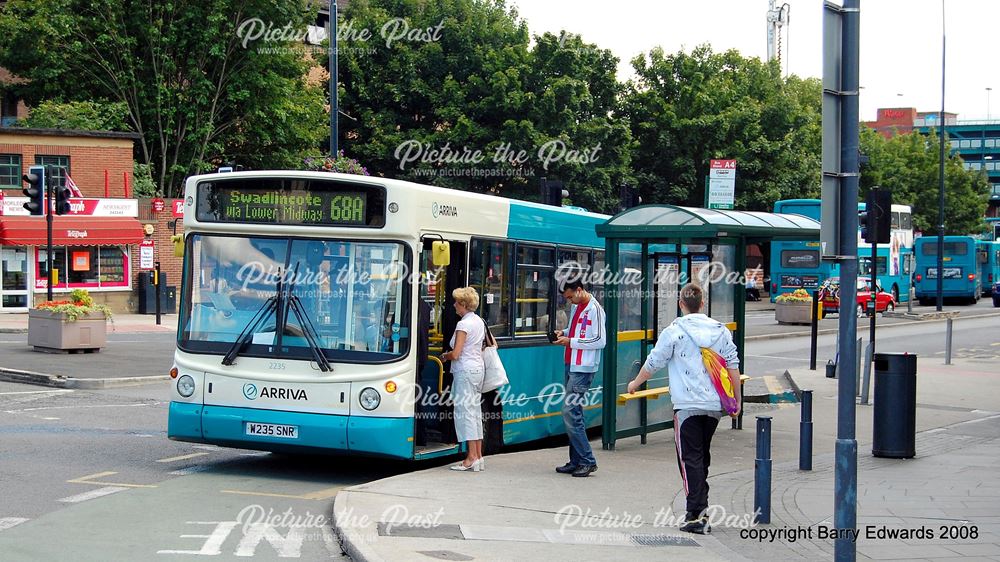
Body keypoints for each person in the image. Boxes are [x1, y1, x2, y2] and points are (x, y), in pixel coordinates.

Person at [626, 283, 740, 534]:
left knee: (689, 460)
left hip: (686, 407)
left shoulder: (674, 331)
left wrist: (635, 383)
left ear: (681, 304)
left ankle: (696, 515)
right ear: (702, 303)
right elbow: (732, 365)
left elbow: (654, 362)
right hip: (713, 407)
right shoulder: (721, 332)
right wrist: (736, 402)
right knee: (701, 457)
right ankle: (700, 504)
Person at [552, 277, 606, 478]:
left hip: (583, 367)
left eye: (570, 297)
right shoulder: (578, 307)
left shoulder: (596, 310)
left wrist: (571, 341)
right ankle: (576, 460)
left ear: (579, 290)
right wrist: (563, 333)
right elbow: (576, 330)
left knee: (569, 411)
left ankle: (587, 460)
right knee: (575, 413)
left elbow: (600, 340)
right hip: (571, 363)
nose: (569, 301)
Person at [440, 287, 486, 472]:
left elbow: (457, 353)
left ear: (464, 305)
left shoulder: (463, 325)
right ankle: (479, 456)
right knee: (475, 413)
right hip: (477, 370)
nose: (454, 305)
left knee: (465, 414)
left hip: (465, 371)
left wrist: (445, 356)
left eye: (456, 302)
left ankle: (471, 457)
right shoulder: (479, 321)